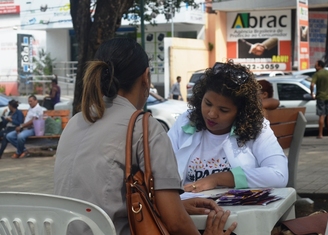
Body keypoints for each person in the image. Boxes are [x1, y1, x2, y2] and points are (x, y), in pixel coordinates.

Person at [53, 38, 237, 235]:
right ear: (146, 77)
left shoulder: (76, 121)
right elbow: (176, 224)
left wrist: (177, 206)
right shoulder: (144, 126)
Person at [167, 61, 288, 193]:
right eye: (207, 103)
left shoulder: (257, 127)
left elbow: (279, 174)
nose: (211, 114)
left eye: (223, 110)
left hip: (240, 211)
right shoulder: (186, 121)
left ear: (241, 113)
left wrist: (217, 179)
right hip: (189, 208)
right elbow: (161, 166)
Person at [6, 95, 43, 159]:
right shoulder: (30, 108)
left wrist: (21, 126)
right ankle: (24, 150)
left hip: (33, 129)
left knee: (20, 136)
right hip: (25, 128)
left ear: (36, 101)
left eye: (31, 101)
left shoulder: (38, 109)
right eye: (29, 101)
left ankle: (18, 152)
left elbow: (33, 121)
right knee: (9, 136)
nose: (29, 103)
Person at [310, 60, 328, 139]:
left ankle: (320, 134)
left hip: (320, 97)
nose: (315, 66)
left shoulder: (317, 74)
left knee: (321, 115)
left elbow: (312, 84)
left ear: (320, 66)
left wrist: (311, 93)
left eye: (316, 65)